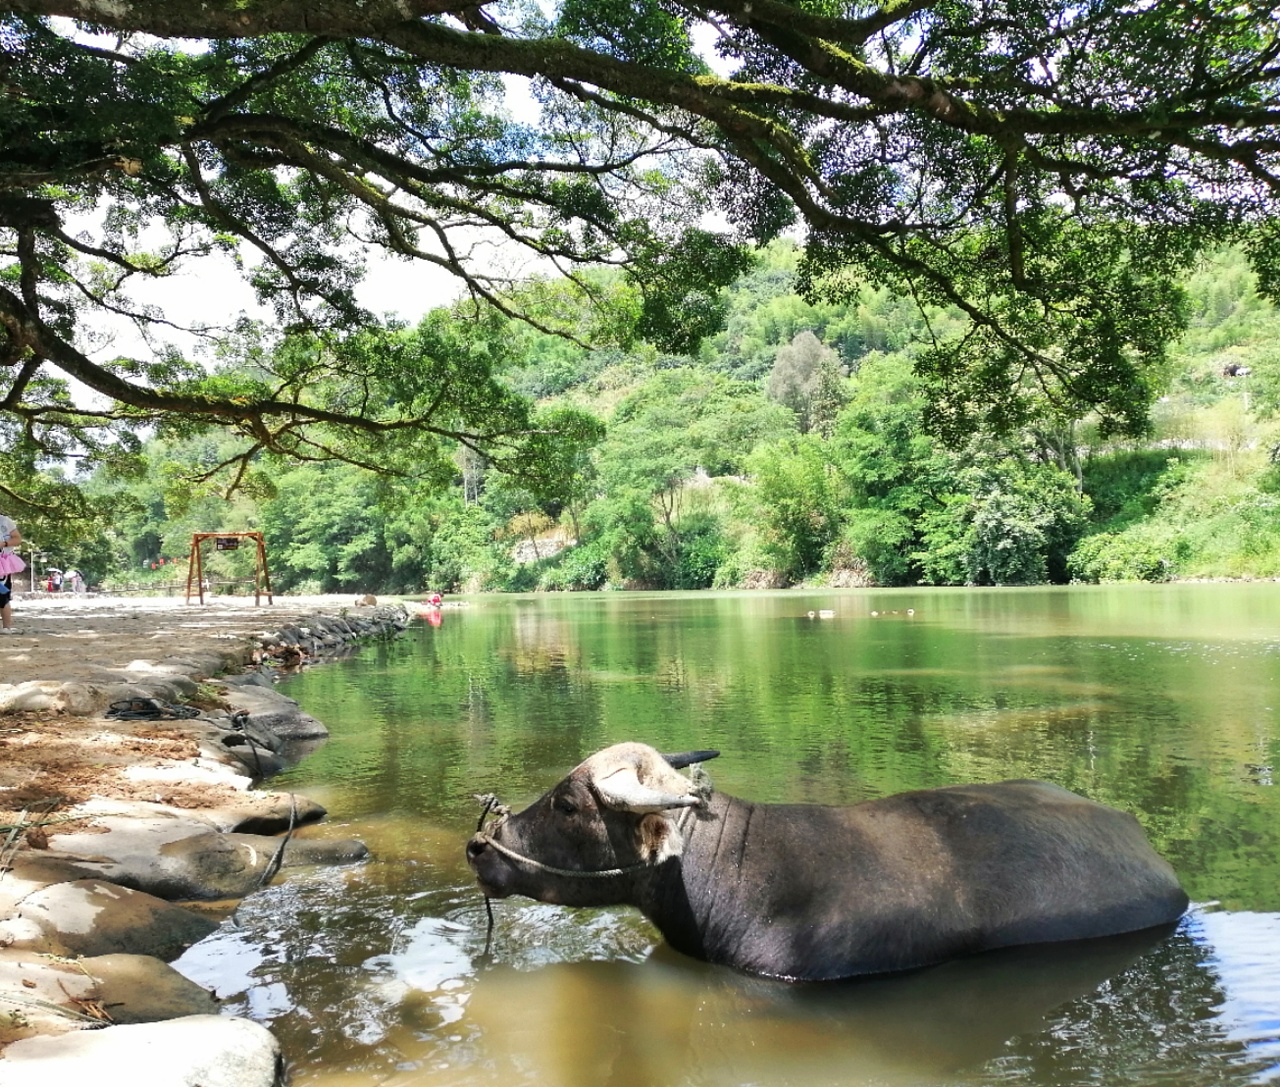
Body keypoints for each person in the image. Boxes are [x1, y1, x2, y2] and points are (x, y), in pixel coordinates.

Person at [0, 514, 24, 633]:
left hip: (2, 563)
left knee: (2, 593)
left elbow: (17, 539)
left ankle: (6, 627)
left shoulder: (5, 521)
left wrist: (3, 543)